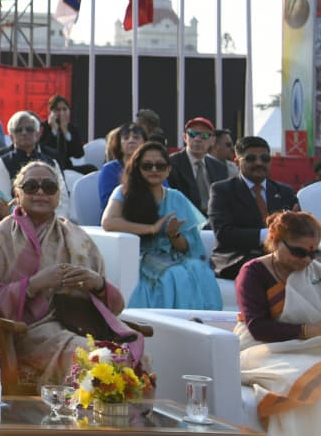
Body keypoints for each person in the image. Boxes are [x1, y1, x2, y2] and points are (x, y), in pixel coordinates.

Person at [0, 160, 140, 385]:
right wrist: (32, 285)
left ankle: (120, 410)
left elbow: (114, 307)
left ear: (58, 195)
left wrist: (97, 284)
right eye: (31, 187)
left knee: (131, 356)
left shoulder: (76, 236)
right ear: (17, 193)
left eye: (49, 187)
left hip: (80, 325)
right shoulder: (2, 236)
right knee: (96, 359)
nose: (40, 192)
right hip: (25, 332)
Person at [101, 141, 222, 308]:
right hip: (140, 257)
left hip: (174, 256)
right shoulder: (123, 192)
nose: (154, 170)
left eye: (160, 166)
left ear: (168, 169)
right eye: (147, 166)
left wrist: (174, 235)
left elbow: (187, 247)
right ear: (137, 168)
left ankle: (194, 321)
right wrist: (151, 229)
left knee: (198, 270)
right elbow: (108, 222)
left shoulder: (176, 197)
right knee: (175, 274)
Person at [235, 210, 321, 436]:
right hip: (261, 349)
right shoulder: (253, 272)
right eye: (298, 252)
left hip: (311, 346)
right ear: (275, 240)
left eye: (313, 253)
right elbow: (258, 327)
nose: (306, 259)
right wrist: (309, 330)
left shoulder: (315, 272)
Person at [210, 136, 299, 280]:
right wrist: (269, 235)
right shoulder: (222, 190)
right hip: (237, 258)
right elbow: (223, 233)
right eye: (251, 158)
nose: (259, 163)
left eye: (264, 158)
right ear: (237, 161)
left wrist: (298, 223)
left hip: (281, 256)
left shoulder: (285, 192)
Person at [0, 110, 64, 205]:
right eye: (18, 130)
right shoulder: (2, 163)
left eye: (29, 129)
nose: (24, 133)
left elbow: (63, 198)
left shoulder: (51, 162)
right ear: (12, 137)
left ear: (38, 135)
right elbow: (4, 201)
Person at [167, 117, 231, 216]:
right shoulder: (171, 164)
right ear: (185, 137)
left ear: (212, 140)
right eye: (192, 134)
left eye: (204, 135)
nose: (197, 139)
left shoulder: (219, 167)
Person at [97, 122, 147, 215]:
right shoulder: (109, 169)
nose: (131, 140)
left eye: (136, 137)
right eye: (126, 138)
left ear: (145, 143)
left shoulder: (154, 167)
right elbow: (107, 203)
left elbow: (165, 196)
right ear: (119, 145)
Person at [40, 94, 95, 174]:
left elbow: (79, 154)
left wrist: (66, 133)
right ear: (51, 112)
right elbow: (43, 150)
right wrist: (54, 131)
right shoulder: (44, 127)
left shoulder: (72, 128)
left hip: (67, 167)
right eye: (57, 110)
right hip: (49, 166)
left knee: (91, 169)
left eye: (64, 109)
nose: (62, 113)